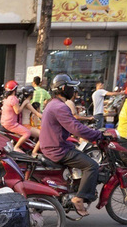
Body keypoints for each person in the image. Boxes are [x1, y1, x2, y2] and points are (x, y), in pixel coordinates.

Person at [37, 73, 107, 217]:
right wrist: (98, 135)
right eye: (71, 88)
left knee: (82, 154)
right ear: (63, 88)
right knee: (92, 165)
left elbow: (73, 125)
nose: (74, 92)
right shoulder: (60, 107)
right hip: (57, 149)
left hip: (56, 145)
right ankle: (79, 198)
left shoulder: (53, 104)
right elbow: (75, 128)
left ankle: (74, 188)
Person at [0, 80, 38, 152]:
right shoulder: (13, 98)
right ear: (15, 89)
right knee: (27, 133)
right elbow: (17, 111)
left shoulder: (7, 98)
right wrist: (24, 103)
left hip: (5, 122)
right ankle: (16, 147)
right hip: (11, 123)